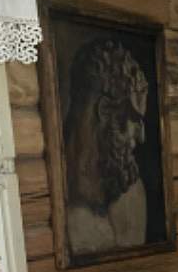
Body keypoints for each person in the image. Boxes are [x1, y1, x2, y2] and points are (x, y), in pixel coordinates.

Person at [63, 38, 149, 258]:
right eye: (133, 120)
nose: (141, 137)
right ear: (103, 112)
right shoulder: (65, 205)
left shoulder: (132, 192)